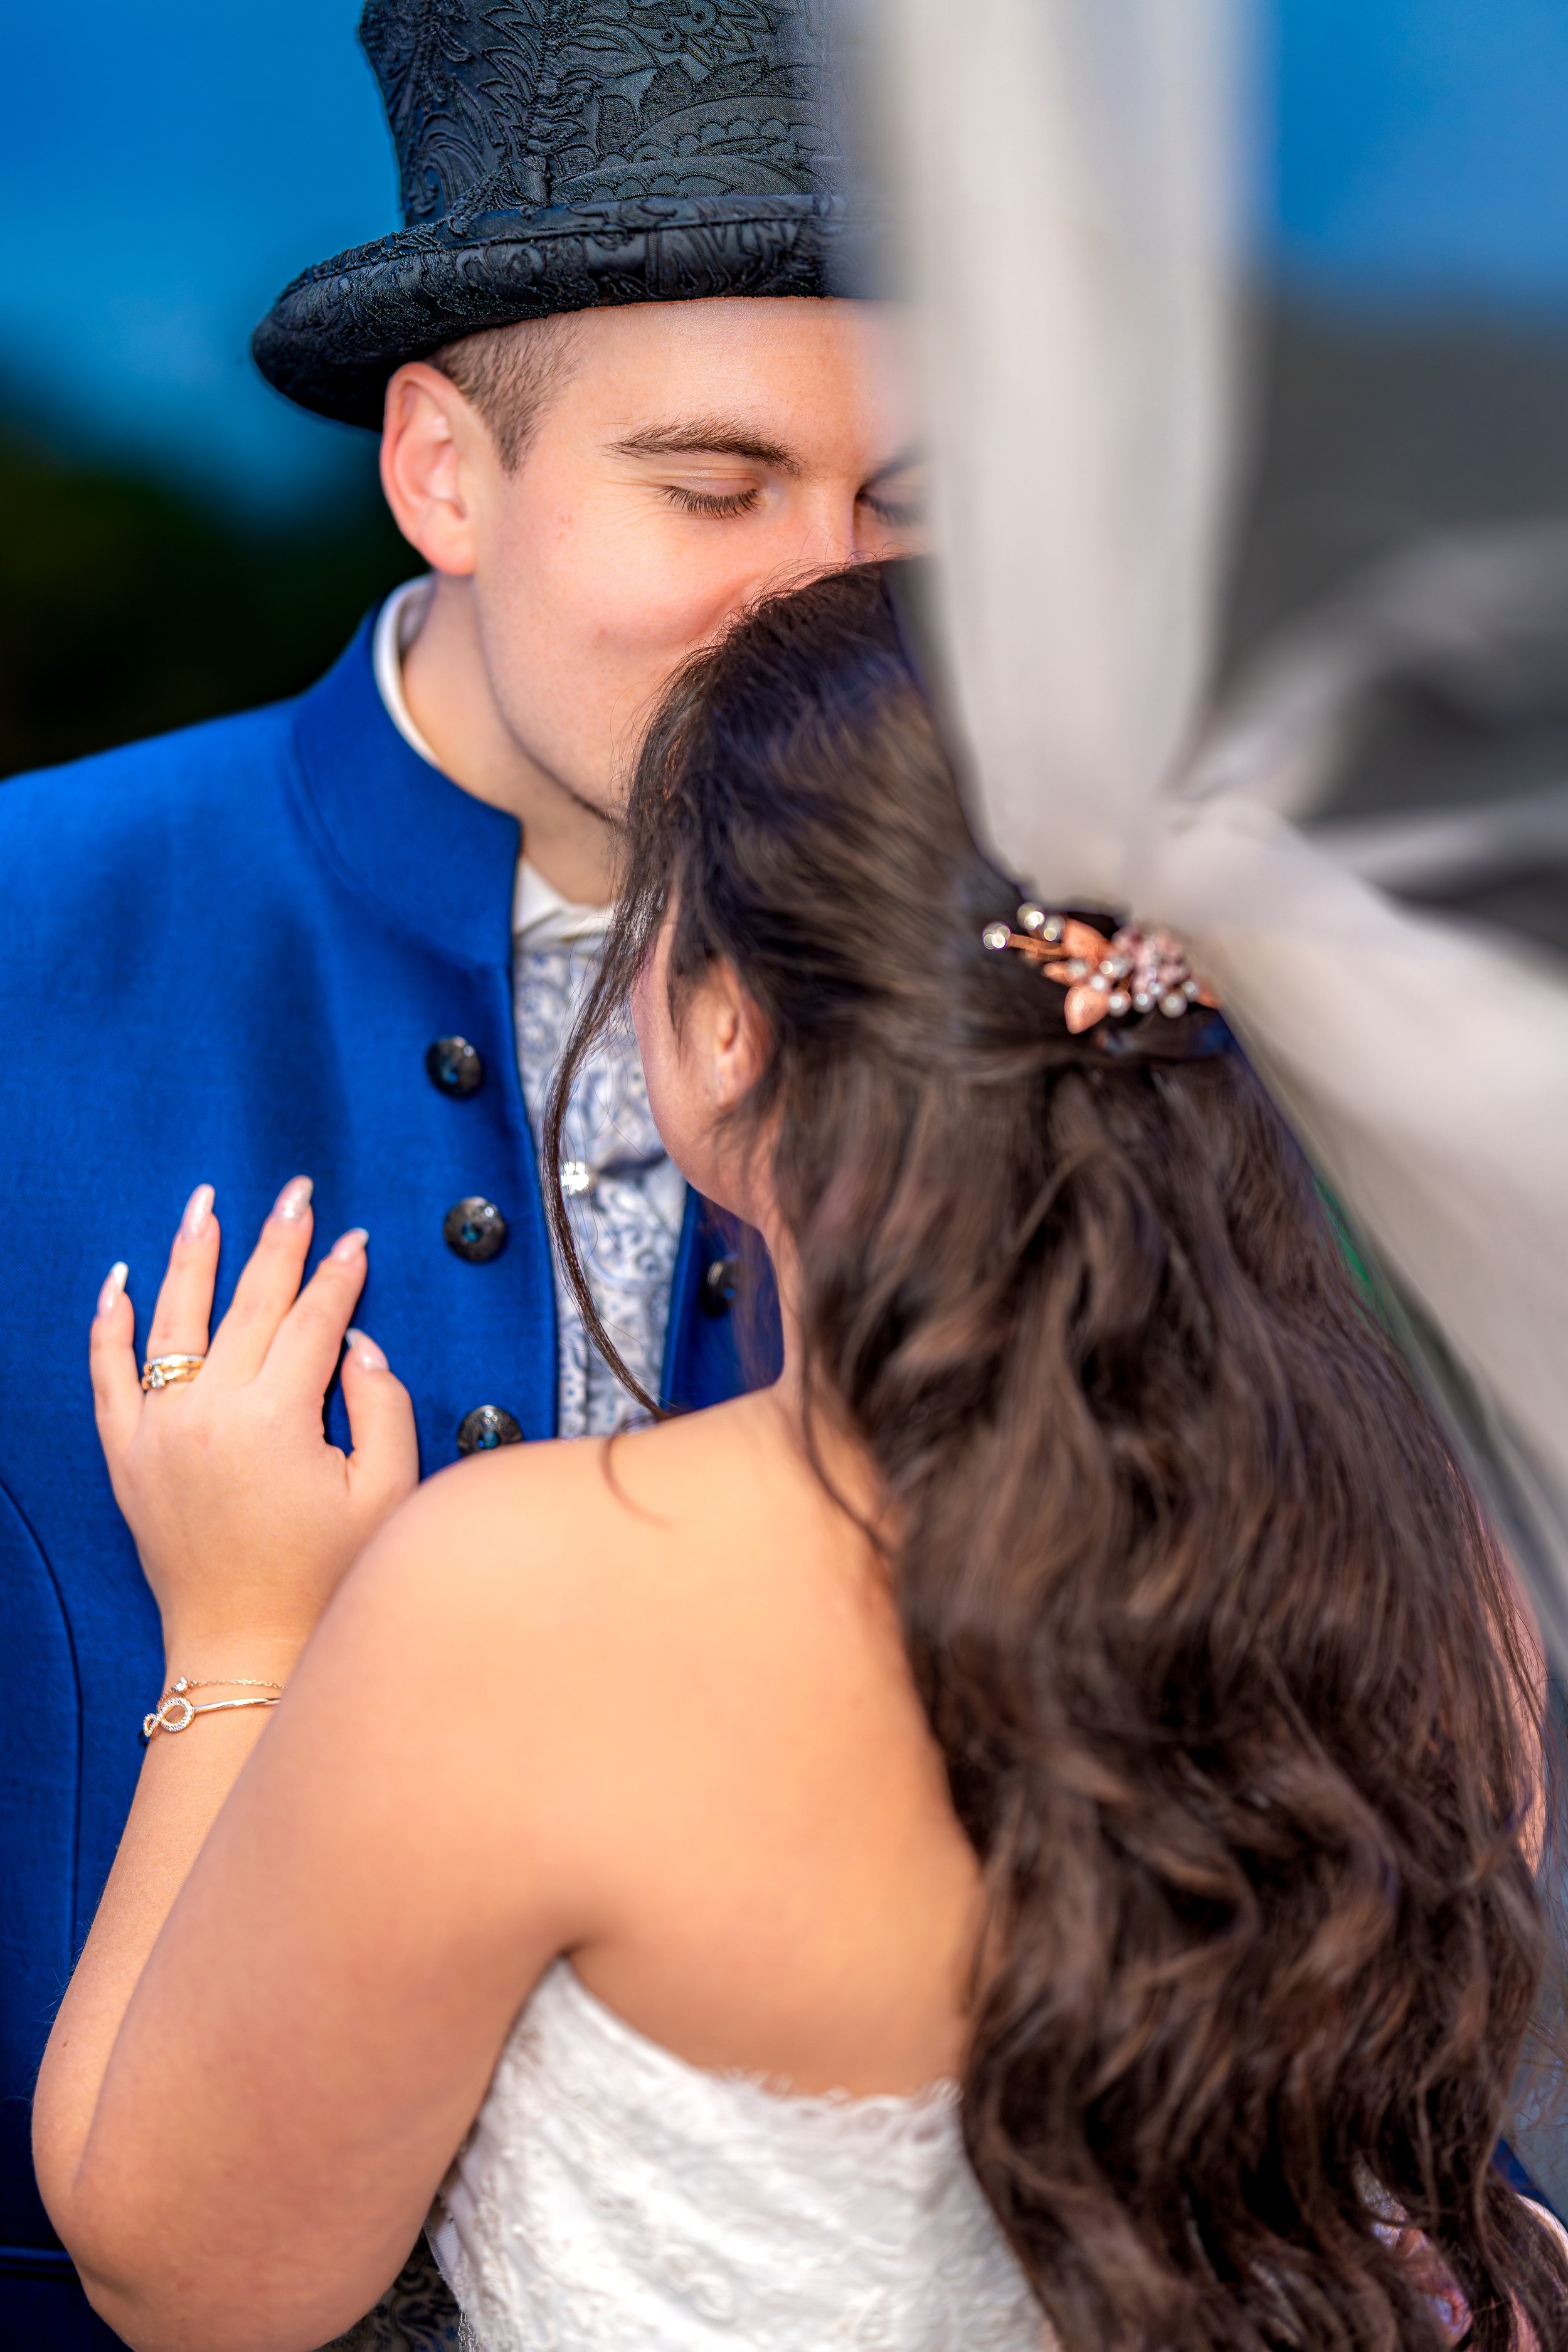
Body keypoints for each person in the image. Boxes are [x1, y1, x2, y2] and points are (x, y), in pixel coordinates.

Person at [33, 563, 1568, 2349]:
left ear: (719, 1027)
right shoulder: (1435, 1563)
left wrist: (241, 1633)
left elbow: (193, 2282)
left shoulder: (521, 1600)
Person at [0, 4, 914, 2334]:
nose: (827, 590)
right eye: (712, 487)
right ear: (441, 471)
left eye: (909, 501)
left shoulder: (1100, 991)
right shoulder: (28, 937)